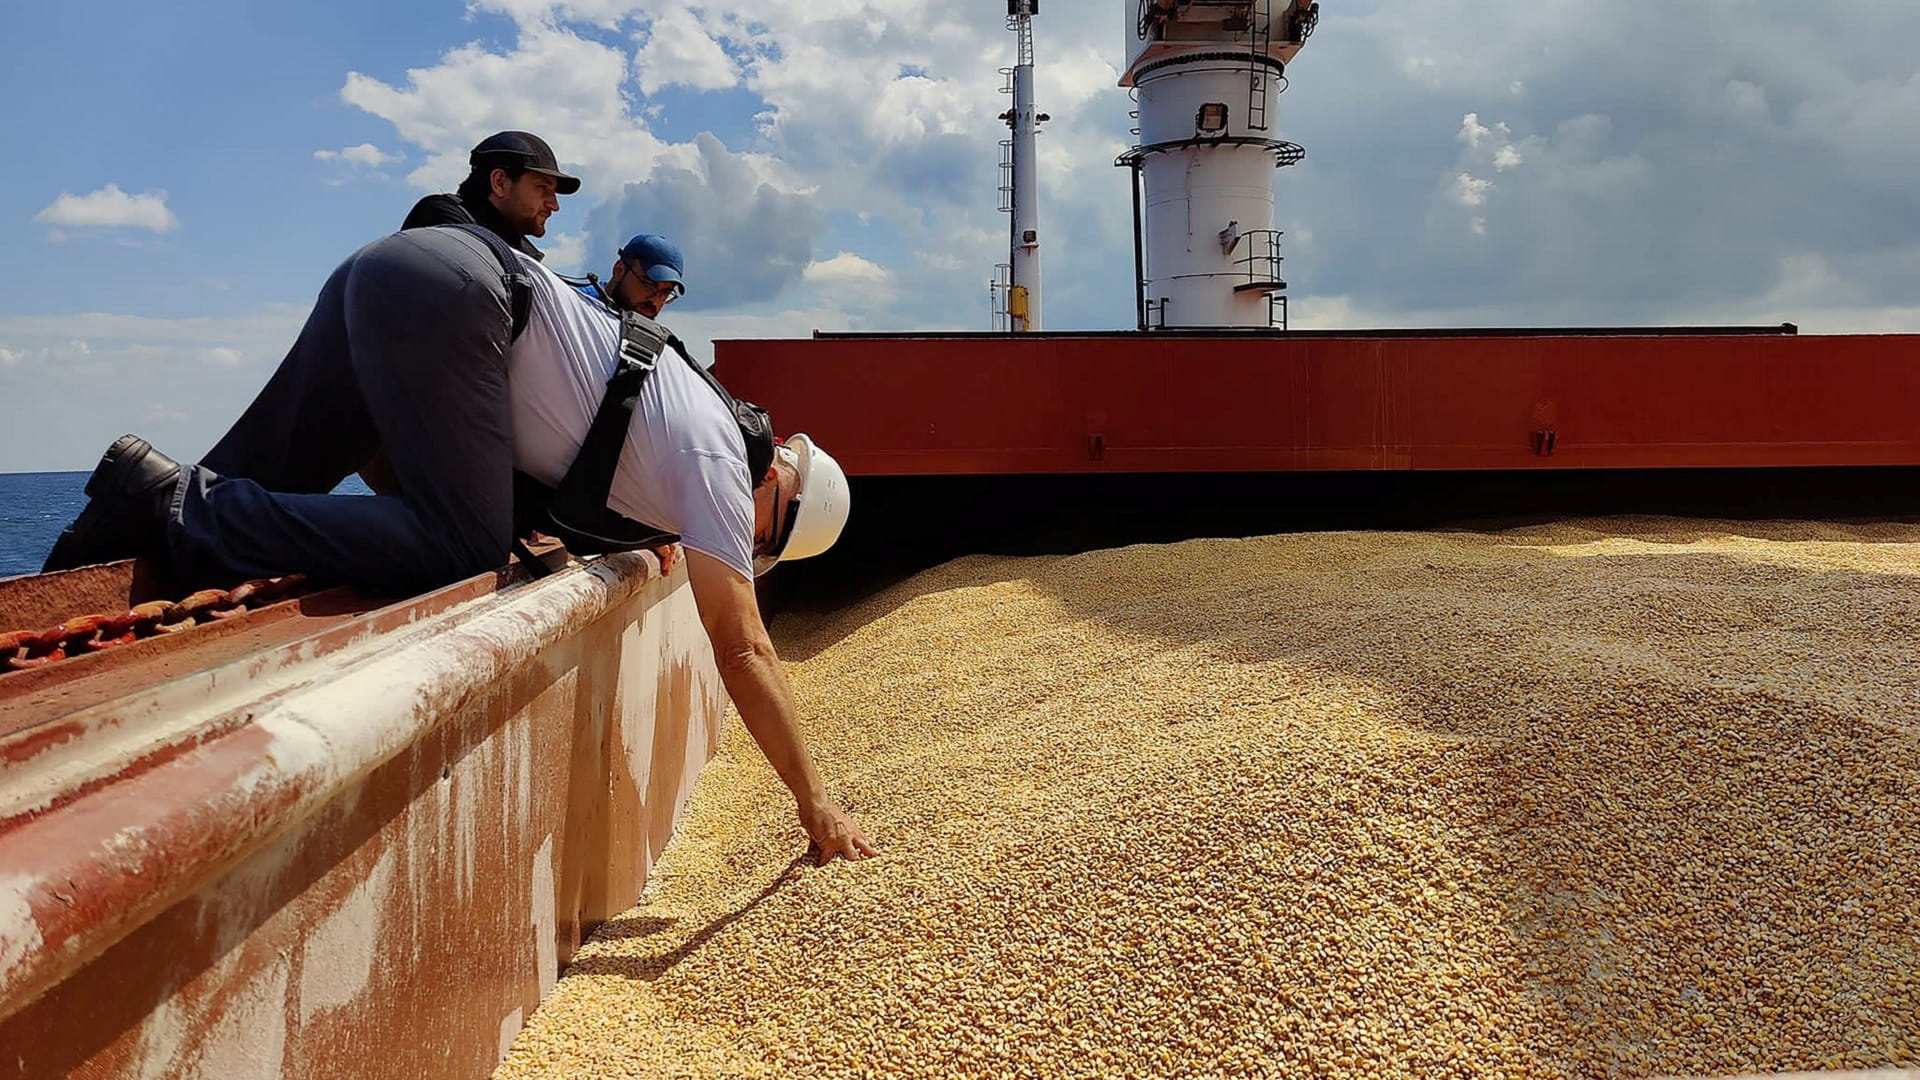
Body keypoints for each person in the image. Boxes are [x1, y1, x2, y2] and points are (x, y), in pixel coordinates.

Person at [42, 222, 875, 862]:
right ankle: (165, 494)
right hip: (463, 298)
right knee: (460, 546)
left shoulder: (689, 414)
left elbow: (590, 451)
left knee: (269, 473)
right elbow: (745, 650)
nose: (743, 551)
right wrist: (815, 801)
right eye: (762, 546)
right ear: (779, 494)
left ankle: (125, 527)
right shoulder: (724, 464)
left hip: (402, 268)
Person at [402, 131, 579, 260]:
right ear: (500, 182)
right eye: (542, 187)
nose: (554, 205)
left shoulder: (517, 247)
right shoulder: (441, 221)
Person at [573, 233, 685, 318]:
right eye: (648, 285)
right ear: (619, 270)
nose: (655, 301)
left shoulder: (649, 337)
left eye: (665, 293)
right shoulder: (575, 307)